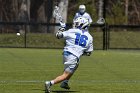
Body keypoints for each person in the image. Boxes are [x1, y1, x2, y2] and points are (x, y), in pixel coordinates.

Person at [45, 17, 93, 93]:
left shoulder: (72, 31)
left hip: (66, 53)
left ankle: (65, 83)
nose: (76, 25)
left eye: (77, 23)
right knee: (65, 75)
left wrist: (62, 28)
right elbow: (89, 52)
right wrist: (80, 52)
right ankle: (50, 83)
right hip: (73, 56)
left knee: (76, 65)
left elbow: (58, 35)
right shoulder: (90, 37)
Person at [60, 5, 93, 89]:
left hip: (82, 35)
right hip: (78, 36)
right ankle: (57, 82)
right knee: (73, 64)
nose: (81, 10)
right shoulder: (77, 14)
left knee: (75, 64)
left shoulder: (87, 15)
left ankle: (65, 82)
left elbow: (88, 22)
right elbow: (75, 22)